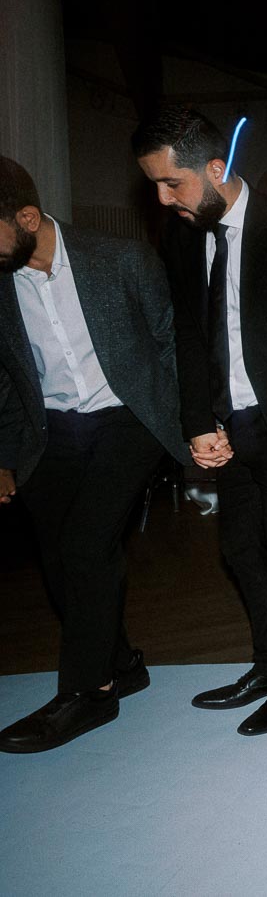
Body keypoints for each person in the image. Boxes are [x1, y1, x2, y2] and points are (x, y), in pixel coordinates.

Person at [133, 106, 267, 736]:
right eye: (156, 188)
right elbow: (190, 338)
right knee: (242, 552)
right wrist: (198, 420)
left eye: (175, 184)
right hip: (229, 431)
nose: (166, 199)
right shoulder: (181, 236)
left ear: (216, 169)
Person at [0, 156, 189, 752]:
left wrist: (188, 427)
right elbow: (5, 378)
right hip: (48, 429)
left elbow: (169, 345)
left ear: (28, 217)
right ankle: (122, 662)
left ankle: (89, 692)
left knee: (87, 544)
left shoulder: (121, 259)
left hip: (127, 420)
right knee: (58, 556)